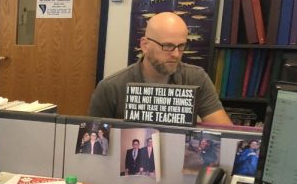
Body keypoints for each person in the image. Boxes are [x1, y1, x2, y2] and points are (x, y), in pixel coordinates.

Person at [88, 12, 232, 125]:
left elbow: (224, 133)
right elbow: (92, 147)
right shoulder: (110, 88)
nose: (176, 54)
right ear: (145, 45)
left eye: (181, 46)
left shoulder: (197, 78)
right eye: (167, 46)